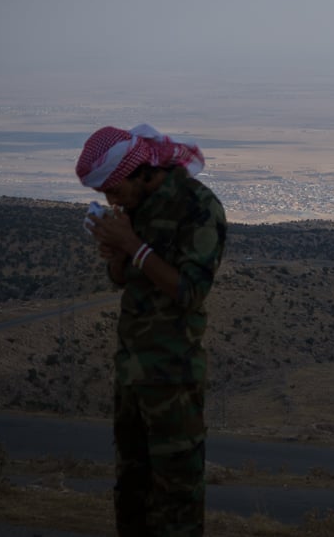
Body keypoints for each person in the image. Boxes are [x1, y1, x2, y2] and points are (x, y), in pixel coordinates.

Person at [75, 123, 227, 537]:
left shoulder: (197, 206)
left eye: (114, 190)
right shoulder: (136, 208)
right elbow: (123, 279)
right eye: (104, 194)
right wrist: (117, 254)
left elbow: (191, 291)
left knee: (175, 499)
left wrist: (134, 248)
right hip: (132, 375)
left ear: (141, 170)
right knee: (132, 493)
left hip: (172, 379)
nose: (111, 200)